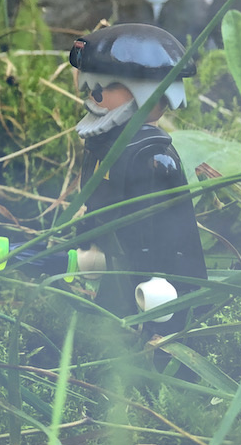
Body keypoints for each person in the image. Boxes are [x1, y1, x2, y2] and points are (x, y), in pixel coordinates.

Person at [67, 24, 206, 320]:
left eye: (102, 90)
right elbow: (95, 200)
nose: (93, 99)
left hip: (158, 271)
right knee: (113, 312)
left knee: (158, 321)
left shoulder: (154, 157)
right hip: (117, 257)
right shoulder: (99, 145)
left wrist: (157, 273)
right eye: (90, 89)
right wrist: (89, 241)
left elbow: (170, 222)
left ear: (153, 98)